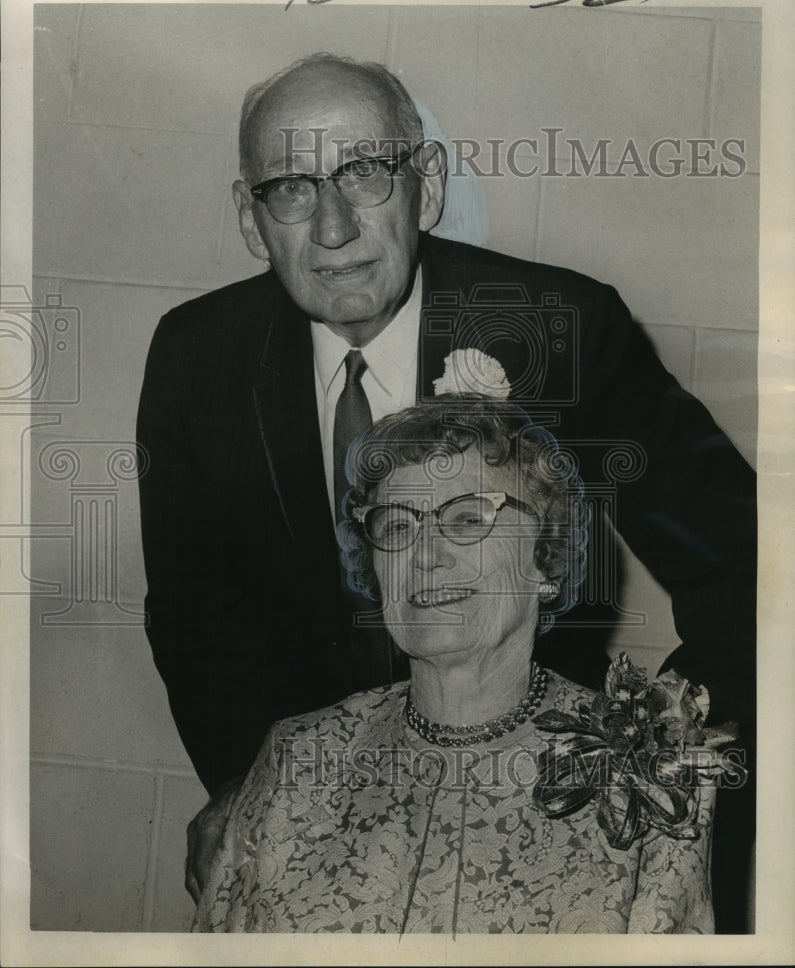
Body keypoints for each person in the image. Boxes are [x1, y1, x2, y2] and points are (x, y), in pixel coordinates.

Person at [136, 53, 755, 924]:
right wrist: (250, 786)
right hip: (328, 828)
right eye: (291, 187)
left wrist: (655, 749)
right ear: (250, 217)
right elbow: (192, 613)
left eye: (365, 173)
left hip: (549, 816)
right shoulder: (194, 356)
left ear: (423, 186)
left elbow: (752, 570)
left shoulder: (564, 328)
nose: (335, 227)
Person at [193, 397, 727, 934]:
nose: (425, 555)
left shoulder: (650, 771)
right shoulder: (296, 758)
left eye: (469, 518)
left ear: (545, 559)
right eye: (397, 527)